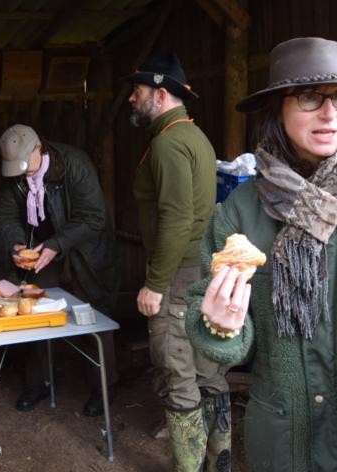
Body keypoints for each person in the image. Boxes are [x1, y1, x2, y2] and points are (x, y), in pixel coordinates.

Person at [186, 37, 337, 471]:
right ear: (276, 111)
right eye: (308, 98)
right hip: (289, 448)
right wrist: (221, 327)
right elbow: (204, 313)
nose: (329, 114)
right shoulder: (242, 211)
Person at [125, 53, 231, 471]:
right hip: (201, 270)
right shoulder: (194, 136)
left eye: (138, 91)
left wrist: (154, 283)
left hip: (177, 277)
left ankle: (191, 467)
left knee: (177, 375)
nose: (132, 98)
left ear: (161, 93)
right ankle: (218, 461)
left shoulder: (168, 143)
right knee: (208, 372)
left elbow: (176, 216)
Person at [0, 124, 119, 416]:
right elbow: (7, 215)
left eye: (25, 165)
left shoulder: (75, 164)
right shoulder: (15, 174)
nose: (22, 173)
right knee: (35, 304)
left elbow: (93, 217)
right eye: (15, 168)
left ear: (39, 147)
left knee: (92, 313)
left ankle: (104, 386)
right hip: (43, 248)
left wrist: (55, 244)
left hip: (85, 247)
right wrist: (15, 245)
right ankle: (39, 382)